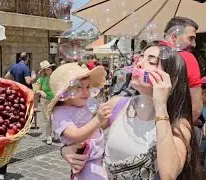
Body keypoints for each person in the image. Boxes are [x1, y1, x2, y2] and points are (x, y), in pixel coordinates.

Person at [61, 42, 205, 180]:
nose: (139, 63)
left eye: (152, 61)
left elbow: (168, 175)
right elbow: (80, 134)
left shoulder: (178, 124)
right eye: (141, 57)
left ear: (169, 78)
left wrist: (160, 105)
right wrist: (66, 150)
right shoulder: (117, 105)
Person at [48, 63, 108, 179]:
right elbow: (75, 135)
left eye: (88, 87)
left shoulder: (84, 105)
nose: (86, 92)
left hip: (101, 156)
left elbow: (100, 126)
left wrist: (104, 117)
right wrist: (98, 119)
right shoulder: (61, 113)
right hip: (85, 162)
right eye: (79, 87)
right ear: (64, 93)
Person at [163, 17, 203, 121]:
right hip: (175, 125)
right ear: (174, 36)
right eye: (191, 38)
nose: (194, 44)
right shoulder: (188, 58)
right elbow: (196, 107)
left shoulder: (146, 56)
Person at [35, 60, 56, 145]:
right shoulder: (41, 79)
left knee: (55, 118)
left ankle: (56, 133)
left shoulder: (55, 77)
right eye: (47, 68)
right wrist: (40, 92)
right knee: (48, 119)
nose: (49, 69)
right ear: (44, 71)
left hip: (56, 100)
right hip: (45, 101)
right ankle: (49, 136)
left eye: (50, 68)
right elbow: (36, 89)